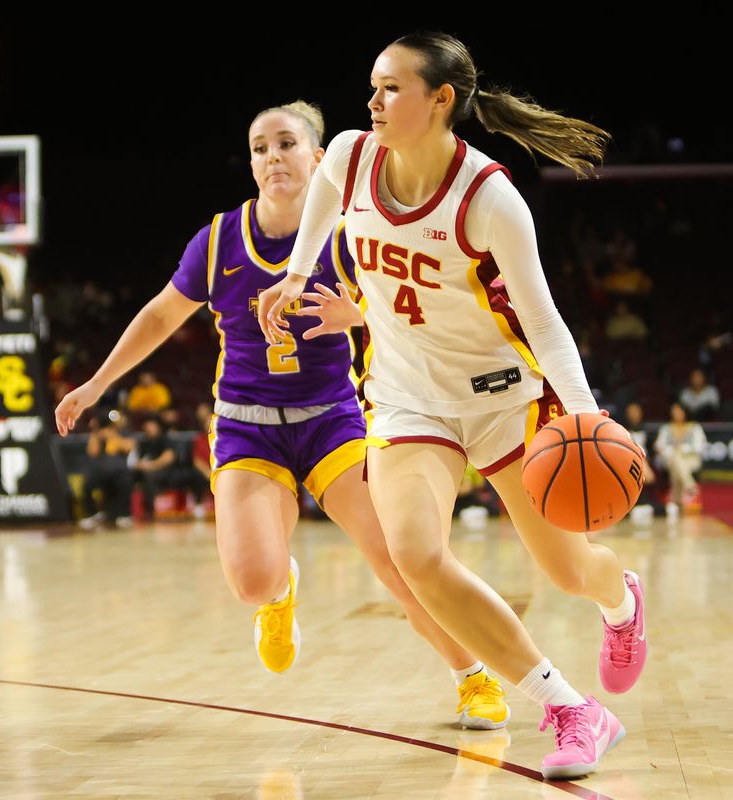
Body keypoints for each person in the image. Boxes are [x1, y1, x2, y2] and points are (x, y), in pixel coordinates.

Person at [256, 33, 645, 779]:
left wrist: (587, 414)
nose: (372, 101)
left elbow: (544, 323)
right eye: (373, 85)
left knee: (569, 571)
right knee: (416, 556)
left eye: (391, 88)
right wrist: (297, 273)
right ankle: (571, 708)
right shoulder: (349, 156)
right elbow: (326, 198)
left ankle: (620, 601)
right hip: (406, 399)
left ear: (440, 100)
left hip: (501, 398)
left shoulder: (488, 197)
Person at [55, 102, 510, 732]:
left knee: (400, 562)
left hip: (335, 419)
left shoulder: (351, 235)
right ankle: (278, 593)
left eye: (286, 144)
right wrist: (97, 383)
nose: (273, 157)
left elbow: (420, 314)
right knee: (251, 582)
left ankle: (473, 677)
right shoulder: (218, 240)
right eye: (260, 147)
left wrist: (358, 318)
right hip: (247, 425)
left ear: (319, 158)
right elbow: (161, 314)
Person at [654, 402, 707, 514]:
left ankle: (677, 501)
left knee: (677, 464)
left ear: (684, 412)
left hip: (690, 459)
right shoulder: (666, 428)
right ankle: (689, 485)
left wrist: (681, 449)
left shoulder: (694, 427)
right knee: (676, 459)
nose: (677, 414)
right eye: (674, 411)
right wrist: (674, 451)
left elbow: (699, 446)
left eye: (679, 411)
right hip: (670, 458)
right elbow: (659, 446)